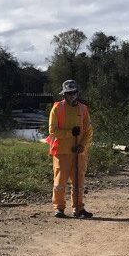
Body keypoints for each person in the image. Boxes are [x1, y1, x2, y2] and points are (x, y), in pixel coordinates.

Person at [47, 79, 94, 219]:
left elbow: (89, 131)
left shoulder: (83, 109)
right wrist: (69, 133)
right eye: (69, 93)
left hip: (79, 152)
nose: (71, 95)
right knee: (60, 182)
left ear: (77, 93)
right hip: (62, 151)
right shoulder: (57, 108)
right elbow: (52, 130)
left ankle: (79, 209)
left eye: (73, 93)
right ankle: (59, 208)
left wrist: (82, 145)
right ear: (64, 94)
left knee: (79, 182)